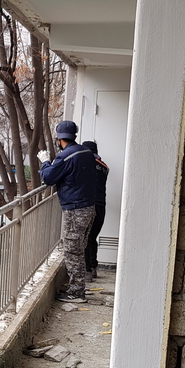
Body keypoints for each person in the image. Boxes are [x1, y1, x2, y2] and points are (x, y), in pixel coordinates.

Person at [37, 121, 97, 303]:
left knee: (72, 251)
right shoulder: (86, 152)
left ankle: (77, 292)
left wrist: (45, 162)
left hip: (75, 210)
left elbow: (48, 177)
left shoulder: (66, 156)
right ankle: (78, 287)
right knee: (79, 249)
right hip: (89, 207)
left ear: (59, 139)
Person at [81, 140, 110, 281]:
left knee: (85, 238)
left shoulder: (87, 164)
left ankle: (87, 271)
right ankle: (93, 268)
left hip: (89, 204)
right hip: (101, 206)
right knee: (92, 237)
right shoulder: (104, 167)